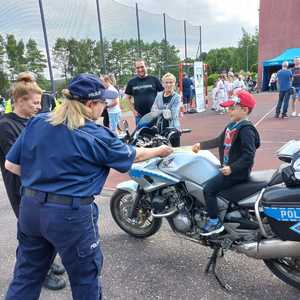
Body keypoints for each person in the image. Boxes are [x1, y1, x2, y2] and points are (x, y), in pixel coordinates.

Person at [4, 73, 173, 300]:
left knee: (26, 277)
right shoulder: (95, 134)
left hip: (31, 208)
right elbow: (134, 155)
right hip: (69, 215)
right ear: (91, 104)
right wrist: (160, 150)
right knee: (85, 280)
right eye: (103, 102)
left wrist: (43, 177)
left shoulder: (39, 121)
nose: (105, 107)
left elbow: (11, 165)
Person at [0, 72, 66, 291]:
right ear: (20, 101)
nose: (40, 107)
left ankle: (45, 261)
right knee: (30, 235)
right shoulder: (6, 125)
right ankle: (39, 271)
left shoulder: (33, 120)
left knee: (45, 229)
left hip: (39, 187)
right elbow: (20, 161)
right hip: (21, 189)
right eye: (35, 103)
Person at [192, 90, 260, 235]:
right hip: (229, 169)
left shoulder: (246, 130)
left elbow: (249, 155)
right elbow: (218, 140)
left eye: (232, 108)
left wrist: (232, 168)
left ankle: (214, 222)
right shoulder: (232, 126)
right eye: (228, 108)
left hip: (237, 173)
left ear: (244, 109)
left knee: (208, 189)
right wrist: (201, 145)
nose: (229, 111)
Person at [125, 59, 164, 125]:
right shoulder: (131, 82)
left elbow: (164, 94)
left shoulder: (154, 79)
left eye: (142, 67)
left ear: (146, 66)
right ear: (135, 69)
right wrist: (133, 111)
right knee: (141, 134)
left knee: (156, 134)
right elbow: (127, 98)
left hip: (154, 114)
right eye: (138, 68)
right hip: (139, 116)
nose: (140, 69)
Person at [151, 72, 181, 147]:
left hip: (172, 127)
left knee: (176, 149)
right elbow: (153, 111)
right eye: (166, 82)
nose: (168, 85)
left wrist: (159, 112)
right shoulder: (159, 95)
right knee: (162, 150)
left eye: (171, 82)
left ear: (174, 83)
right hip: (160, 127)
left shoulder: (176, 97)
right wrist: (163, 111)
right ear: (162, 84)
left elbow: (173, 114)